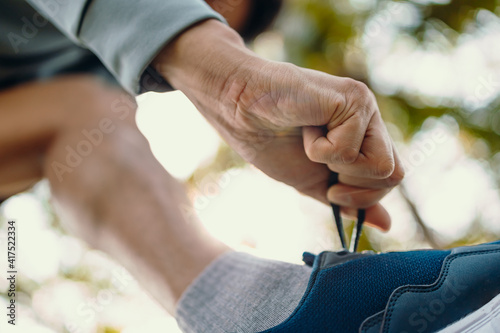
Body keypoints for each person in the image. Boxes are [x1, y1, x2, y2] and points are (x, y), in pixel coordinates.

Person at [1, 1, 498, 332]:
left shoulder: (86, 75)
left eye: (222, 19)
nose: (203, 14)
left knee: (85, 120)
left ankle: (264, 314)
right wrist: (227, 76)